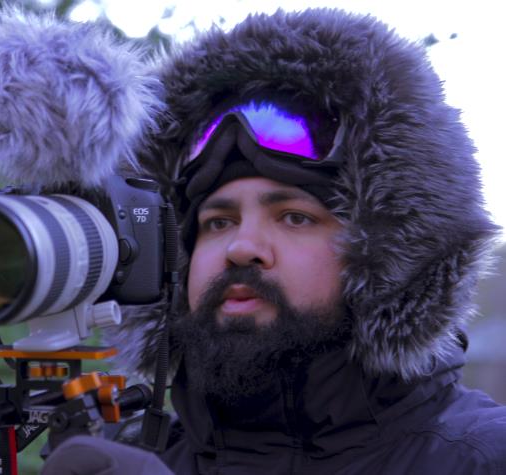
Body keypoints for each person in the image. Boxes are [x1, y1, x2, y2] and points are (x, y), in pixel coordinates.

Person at [42, 8, 506, 474]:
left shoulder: (483, 458)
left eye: (295, 217)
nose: (242, 248)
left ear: (385, 258)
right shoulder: (130, 459)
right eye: (217, 223)